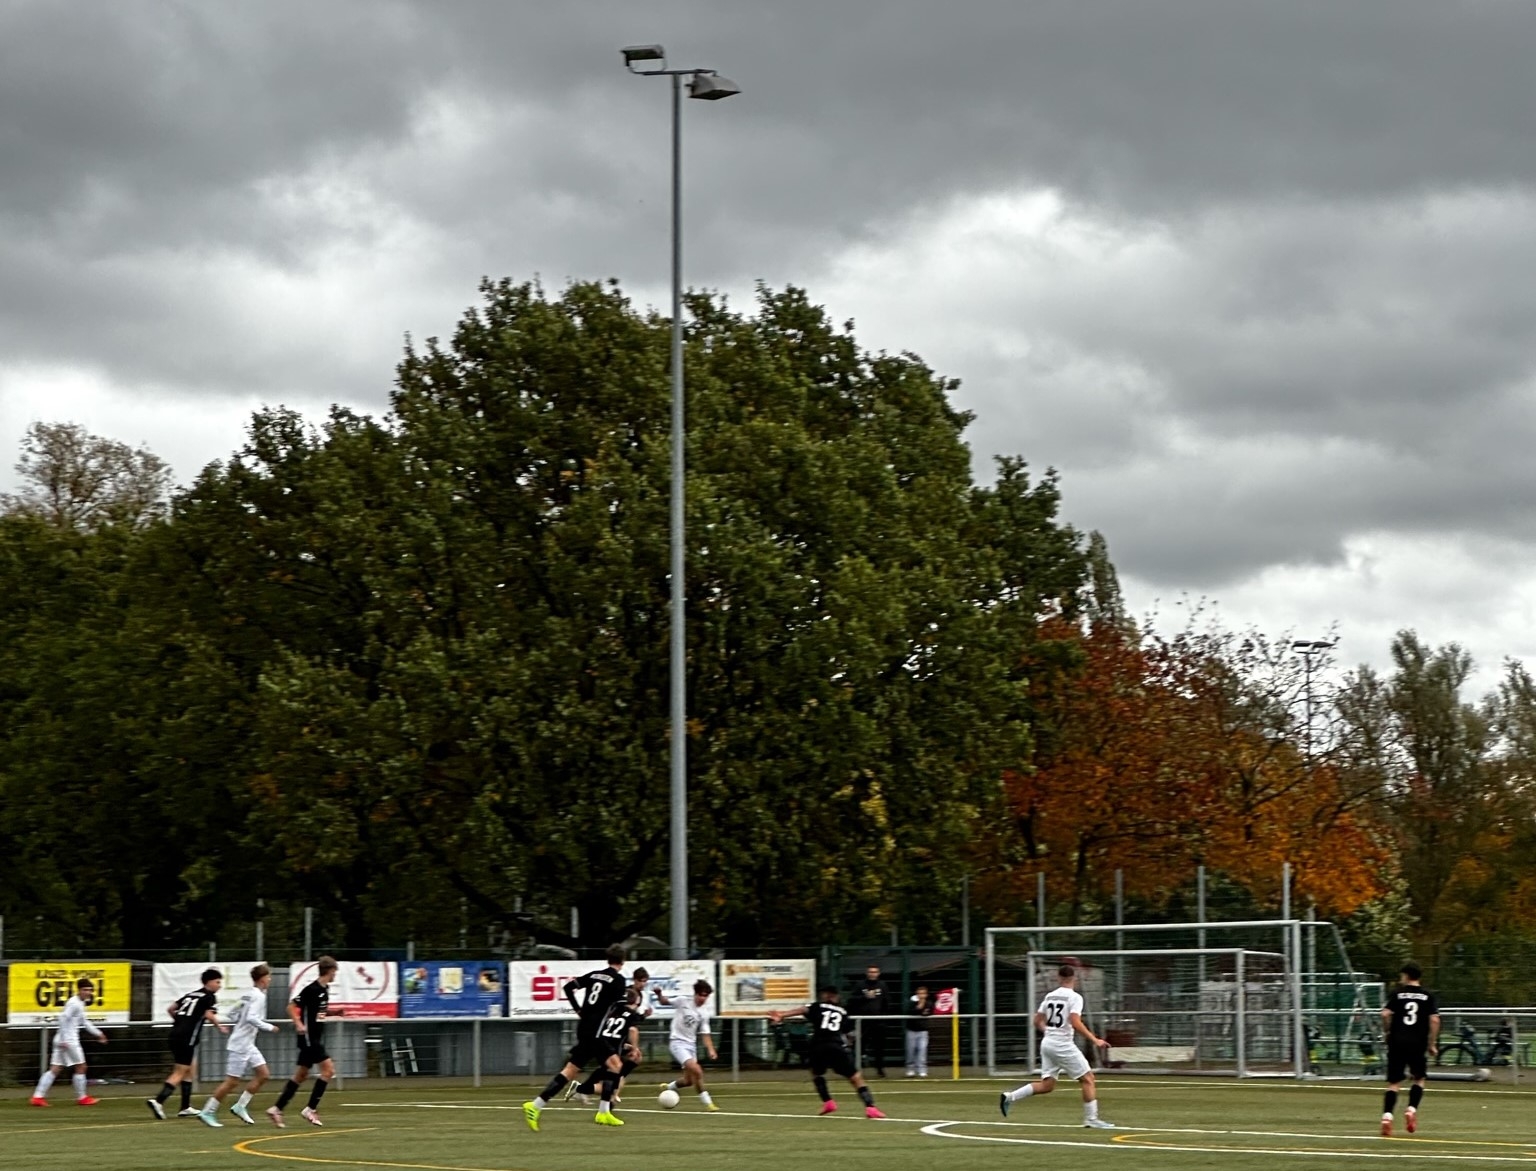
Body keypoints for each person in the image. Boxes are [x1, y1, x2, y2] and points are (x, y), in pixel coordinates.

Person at [522, 944, 628, 1131]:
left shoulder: (595, 975)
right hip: (596, 1031)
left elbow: (568, 987)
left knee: (570, 1070)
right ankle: (603, 1112)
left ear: (608, 959)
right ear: (623, 961)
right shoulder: (618, 980)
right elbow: (620, 1007)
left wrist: (578, 1009)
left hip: (583, 1027)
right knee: (616, 1066)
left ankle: (536, 1105)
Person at [999, 964, 1113, 1129]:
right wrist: (1095, 1040)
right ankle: (1091, 1119)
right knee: (1088, 1079)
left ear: (1059, 978)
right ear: (1074, 978)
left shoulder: (1050, 996)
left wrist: (1049, 1032)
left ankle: (1010, 1097)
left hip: (1048, 1043)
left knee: (1047, 1085)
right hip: (1062, 1044)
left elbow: (1037, 1021)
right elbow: (1075, 1022)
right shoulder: (1075, 997)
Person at [770, 986, 886, 1119]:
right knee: (855, 1077)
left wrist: (781, 1015)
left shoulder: (817, 1006)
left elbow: (803, 1010)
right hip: (836, 1046)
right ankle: (870, 1108)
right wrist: (848, 1045)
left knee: (816, 1073)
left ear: (827, 995)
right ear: (835, 996)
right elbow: (851, 1034)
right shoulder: (842, 1012)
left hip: (818, 1046)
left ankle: (828, 1102)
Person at [199, 964, 278, 1127]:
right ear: (262, 979)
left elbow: (232, 1013)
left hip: (248, 1043)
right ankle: (208, 1111)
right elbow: (251, 1018)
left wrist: (241, 1024)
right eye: (268, 977)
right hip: (241, 1044)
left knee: (263, 1074)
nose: (270, 980)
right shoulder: (259, 996)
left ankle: (240, 1106)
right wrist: (269, 1027)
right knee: (232, 1082)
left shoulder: (248, 994)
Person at [268, 956, 339, 1128]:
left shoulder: (325, 989)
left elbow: (317, 1012)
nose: (335, 975)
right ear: (330, 971)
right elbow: (291, 1007)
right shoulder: (311, 989)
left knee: (301, 1075)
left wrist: (334, 1012)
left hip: (314, 1037)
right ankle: (310, 1109)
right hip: (308, 1038)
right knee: (328, 1070)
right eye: (335, 971)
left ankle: (276, 1109)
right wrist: (299, 1023)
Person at [148, 968, 228, 1119]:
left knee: (191, 1068)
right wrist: (220, 1026)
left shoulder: (191, 994)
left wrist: (181, 1022)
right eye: (217, 982)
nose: (219, 985)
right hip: (187, 1037)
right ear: (209, 982)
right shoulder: (209, 996)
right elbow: (209, 1014)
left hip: (174, 1034)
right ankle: (158, 1101)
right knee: (180, 1071)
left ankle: (185, 1107)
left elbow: (171, 1009)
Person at [1380, 961, 1439, 1137]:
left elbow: (1385, 1014)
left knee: (1394, 1083)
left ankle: (1387, 1117)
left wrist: (1387, 1031)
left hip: (1397, 1041)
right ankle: (1411, 1109)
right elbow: (1435, 1020)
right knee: (1419, 1079)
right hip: (1417, 1042)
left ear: (1406, 975)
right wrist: (1432, 1043)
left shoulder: (1397, 994)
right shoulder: (1427, 995)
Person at [30, 977, 108, 1107]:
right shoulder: (74, 1003)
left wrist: (98, 1033)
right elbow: (63, 1018)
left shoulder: (80, 1003)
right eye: (85, 990)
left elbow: (84, 1022)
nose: (88, 992)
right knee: (81, 1067)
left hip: (62, 1039)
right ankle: (82, 1097)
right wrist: (65, 1039)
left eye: (89, 990)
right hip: (69, 1040)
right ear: (79, 990)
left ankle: (37, 1097)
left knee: (55, 1068)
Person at [660, 979, 720, 1110]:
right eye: (701, 995)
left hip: (691, 1046)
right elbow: (664, 1002)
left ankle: (669, 1087)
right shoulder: (683, 1001)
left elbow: (705, 1033)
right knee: (697, 1070)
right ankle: (708, 1103)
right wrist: (659, 994)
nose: (703, 998)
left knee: (688, 1081)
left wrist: (711, 1049)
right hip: (677, 1042)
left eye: (706, 996)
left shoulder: (704, 1013)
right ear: (695, 994)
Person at [850, 965, 888, 1077]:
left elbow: (886, 1001)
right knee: (859, 1045)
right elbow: (852, 1000)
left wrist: (883, 1015)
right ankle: (856, 1070)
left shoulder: (882, 985)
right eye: (870, 972)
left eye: (875, 972)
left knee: (879, 1046)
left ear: (878, 973)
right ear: (867, 973)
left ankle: (880, 1069)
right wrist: (865, 997)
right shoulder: (860, 985)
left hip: (878, 1021)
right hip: (862, 1021)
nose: (872, 974)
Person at [905, 985, 934, 1078]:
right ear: (917, 994)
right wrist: (919, 1007)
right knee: (911, 1050)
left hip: (923, 1030)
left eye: (923, 993)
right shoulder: (911, 1002)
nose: (921, 995)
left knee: (922, 1050)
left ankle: (922, 1070)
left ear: (926, 994)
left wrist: (922, 1010)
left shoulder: (929, 1003)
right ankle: (910, 1069)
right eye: (919, 993)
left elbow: (928, 1012)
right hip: (912, 1030)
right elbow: (911, 1011)